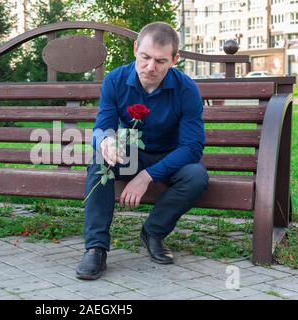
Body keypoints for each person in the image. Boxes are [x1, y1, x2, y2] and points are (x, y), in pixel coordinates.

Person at [76, 22, 209, 280]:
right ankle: (96, 247)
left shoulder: (187, 89)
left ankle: (153, 232)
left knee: (196, 176)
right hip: (130, 154)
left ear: (175, 59)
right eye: (145, 57)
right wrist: (105, 142)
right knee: (99, 161)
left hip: (170, 159)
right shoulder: (115, 80)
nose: (150, 67)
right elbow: (102, 126)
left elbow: (192, 148)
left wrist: (146, 176)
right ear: (136, 48)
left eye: (160, 61)